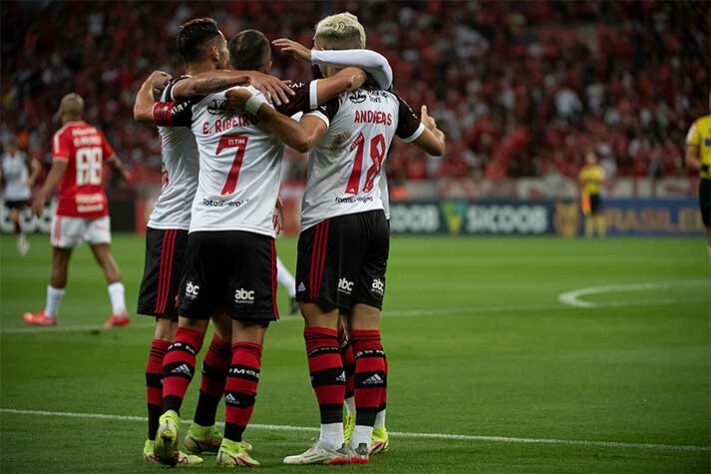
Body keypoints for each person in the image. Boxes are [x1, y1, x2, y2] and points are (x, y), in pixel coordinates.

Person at [142, 28, 373, 468]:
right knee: (248, 339)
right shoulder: (280, 97)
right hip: (250, 235)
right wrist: (319, 58)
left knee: (188, 330)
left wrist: (220, 79)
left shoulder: (194, 102)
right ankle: (231, 443)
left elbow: (149, 106)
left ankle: (170, 415)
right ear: (267, 66)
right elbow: (350, 79)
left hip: (202, 229)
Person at [229, 12, 446, 465]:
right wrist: (433, 127)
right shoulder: (391, 101)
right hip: (375, 220)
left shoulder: (331, 99)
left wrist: (260, 111)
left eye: (317, 51)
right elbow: (436, 146)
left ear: (329, 53)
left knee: (321, 329)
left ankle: (330, 440)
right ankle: (364, 441)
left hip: (331, 220)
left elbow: (305, 139)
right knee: (366, 333)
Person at [131, 17, 294, 465]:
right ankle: (156, 433)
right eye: (222, 47)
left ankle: (201, 426)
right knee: (174, 328)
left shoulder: (203, 93)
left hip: (205, 226)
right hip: (180, 224)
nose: (226, 52)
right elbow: (146, 109)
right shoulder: (187, 88)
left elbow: (145, 109)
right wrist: (250, 75)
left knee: (222, 333)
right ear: (216, 54)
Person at [23, 94, 130, 328]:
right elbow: (113, 161)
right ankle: (120, 311)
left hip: (72, 206)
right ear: (81, 113)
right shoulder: (95, 133)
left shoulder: (63, 135)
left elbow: (59, 167)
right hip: (97, 205)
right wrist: (123, 174)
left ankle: (49, 315)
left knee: (60, 260)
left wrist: (42, 194)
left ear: (63, 112)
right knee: (105, 256)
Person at [0, 136, 40, 255]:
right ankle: (22, 238)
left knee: (14, 216)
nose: (8, 149)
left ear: (15, 147)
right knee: (14, 218)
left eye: (10, 146)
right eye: (7, 146)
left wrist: (32, 178)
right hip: (10, 193)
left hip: (22, 193)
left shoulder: (23, 157)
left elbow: (37, 166)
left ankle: (22, 239)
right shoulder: (3, 159)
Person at [685, 93, 711, 255]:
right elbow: (689, 158)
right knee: (709, 226)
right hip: (708, 182)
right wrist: (707, 167)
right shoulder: (699, 125)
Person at [578, 151, 606, 238]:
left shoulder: (598, 170)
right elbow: (580, 183)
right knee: (587, 214)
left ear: (595, 159)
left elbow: (601, 181)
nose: (590, 160)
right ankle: (589, 233)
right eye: (588, 158)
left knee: (598, 213)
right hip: (585, 195)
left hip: (596, 194)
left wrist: (590, 180)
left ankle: (600, 232)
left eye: (591, 158)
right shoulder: (583, 171)